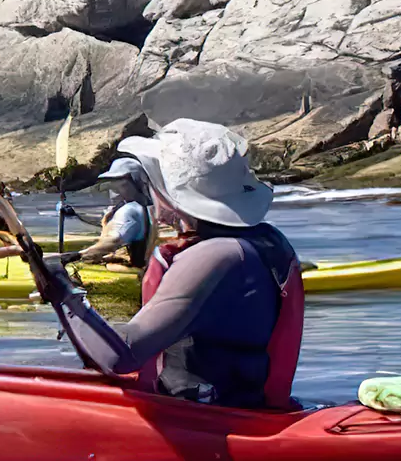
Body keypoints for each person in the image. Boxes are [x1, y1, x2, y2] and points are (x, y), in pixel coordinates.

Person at [42, 119, 306, 411]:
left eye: (152, 182)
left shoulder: (215, 256)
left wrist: (64, 293)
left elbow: (119, 357)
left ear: (170, 191)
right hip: (236, 409)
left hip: (211, 422)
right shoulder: (258, 241)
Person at [0, 157, 157, 265]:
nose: (114, 188)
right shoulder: (133, 208)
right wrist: (75, 215)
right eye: (112, 183)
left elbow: (112, 242)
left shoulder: (130, 210)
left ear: (135, 183)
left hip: (129, 270)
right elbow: (112, 235)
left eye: (120, 183)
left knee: (38, 257)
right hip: (123, 264)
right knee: (34, 254)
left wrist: (77, 256)